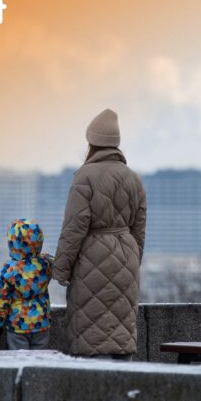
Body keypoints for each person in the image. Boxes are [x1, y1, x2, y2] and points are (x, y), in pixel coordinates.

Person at [53, 108, 147, 360]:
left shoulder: (85, 175)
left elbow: (74, 227)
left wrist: (61, 269)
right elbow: (139, 228)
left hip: (91, 257)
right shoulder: (133, 178)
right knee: (120, 329)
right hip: (125, 257)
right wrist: (132, 259)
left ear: (91, 143)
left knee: (91, 335)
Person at [0, 218, 53, 350]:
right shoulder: (46, 263)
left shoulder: (9, 270)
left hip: (17, 325)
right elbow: (62, 264)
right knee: (41, 363)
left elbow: (0, 298)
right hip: (42, 323)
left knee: (19, 360)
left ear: (13, 243)